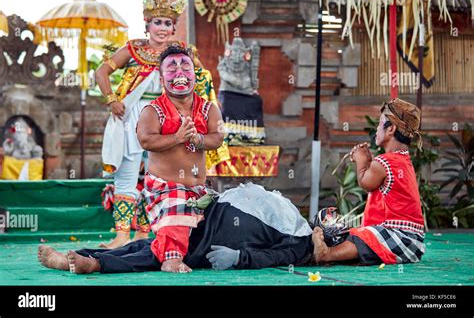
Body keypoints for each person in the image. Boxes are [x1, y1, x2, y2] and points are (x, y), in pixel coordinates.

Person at [37, 183, 314, 274]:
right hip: (201, 213)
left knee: (152, 253)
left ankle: (92, 263)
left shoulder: (301, 242)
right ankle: (82, 256)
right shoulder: (294, 214)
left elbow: (275, 257)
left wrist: (239, 258)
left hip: (209, 246)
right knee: (145, 246)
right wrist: (210, 198)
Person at [95, 0, 188, 249]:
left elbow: (199, 81)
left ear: (173, 28)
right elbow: (101, 73)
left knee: (157, 177)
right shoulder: (133, 50)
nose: (162, 27)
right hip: (131, 116)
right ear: (147, 25)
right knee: (126, 175)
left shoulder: (180, 53)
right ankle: (122, 235)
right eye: (157, 22)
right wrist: (112, 100)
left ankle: (144, 234)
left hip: (166, 118)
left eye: (168, 23)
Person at [135, 44, 225, 273]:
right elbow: (145, 141)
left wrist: (198, 140)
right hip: (164, 188)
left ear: (195, 74)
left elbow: (218, 137)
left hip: (199, 190)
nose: (180, 72)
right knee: (178, 206)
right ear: (162, 76)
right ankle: (171, 259)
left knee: (226, 216)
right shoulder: (152, 111)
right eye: (172, 68)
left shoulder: (209, 109)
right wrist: (177, 137)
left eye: (186, 66)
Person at [313, 98, 426, 266]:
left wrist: (361, 160)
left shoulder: (385, 163)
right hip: (409, 242)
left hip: (402, 238)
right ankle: (331, 250)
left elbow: (365, 182)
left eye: (380, 124)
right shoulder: (401, 160)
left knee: (367, 236)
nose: (377, 129)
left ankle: (327, 254)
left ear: (391, 129)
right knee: (357, 234)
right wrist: (367, 162)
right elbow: (373, 177)